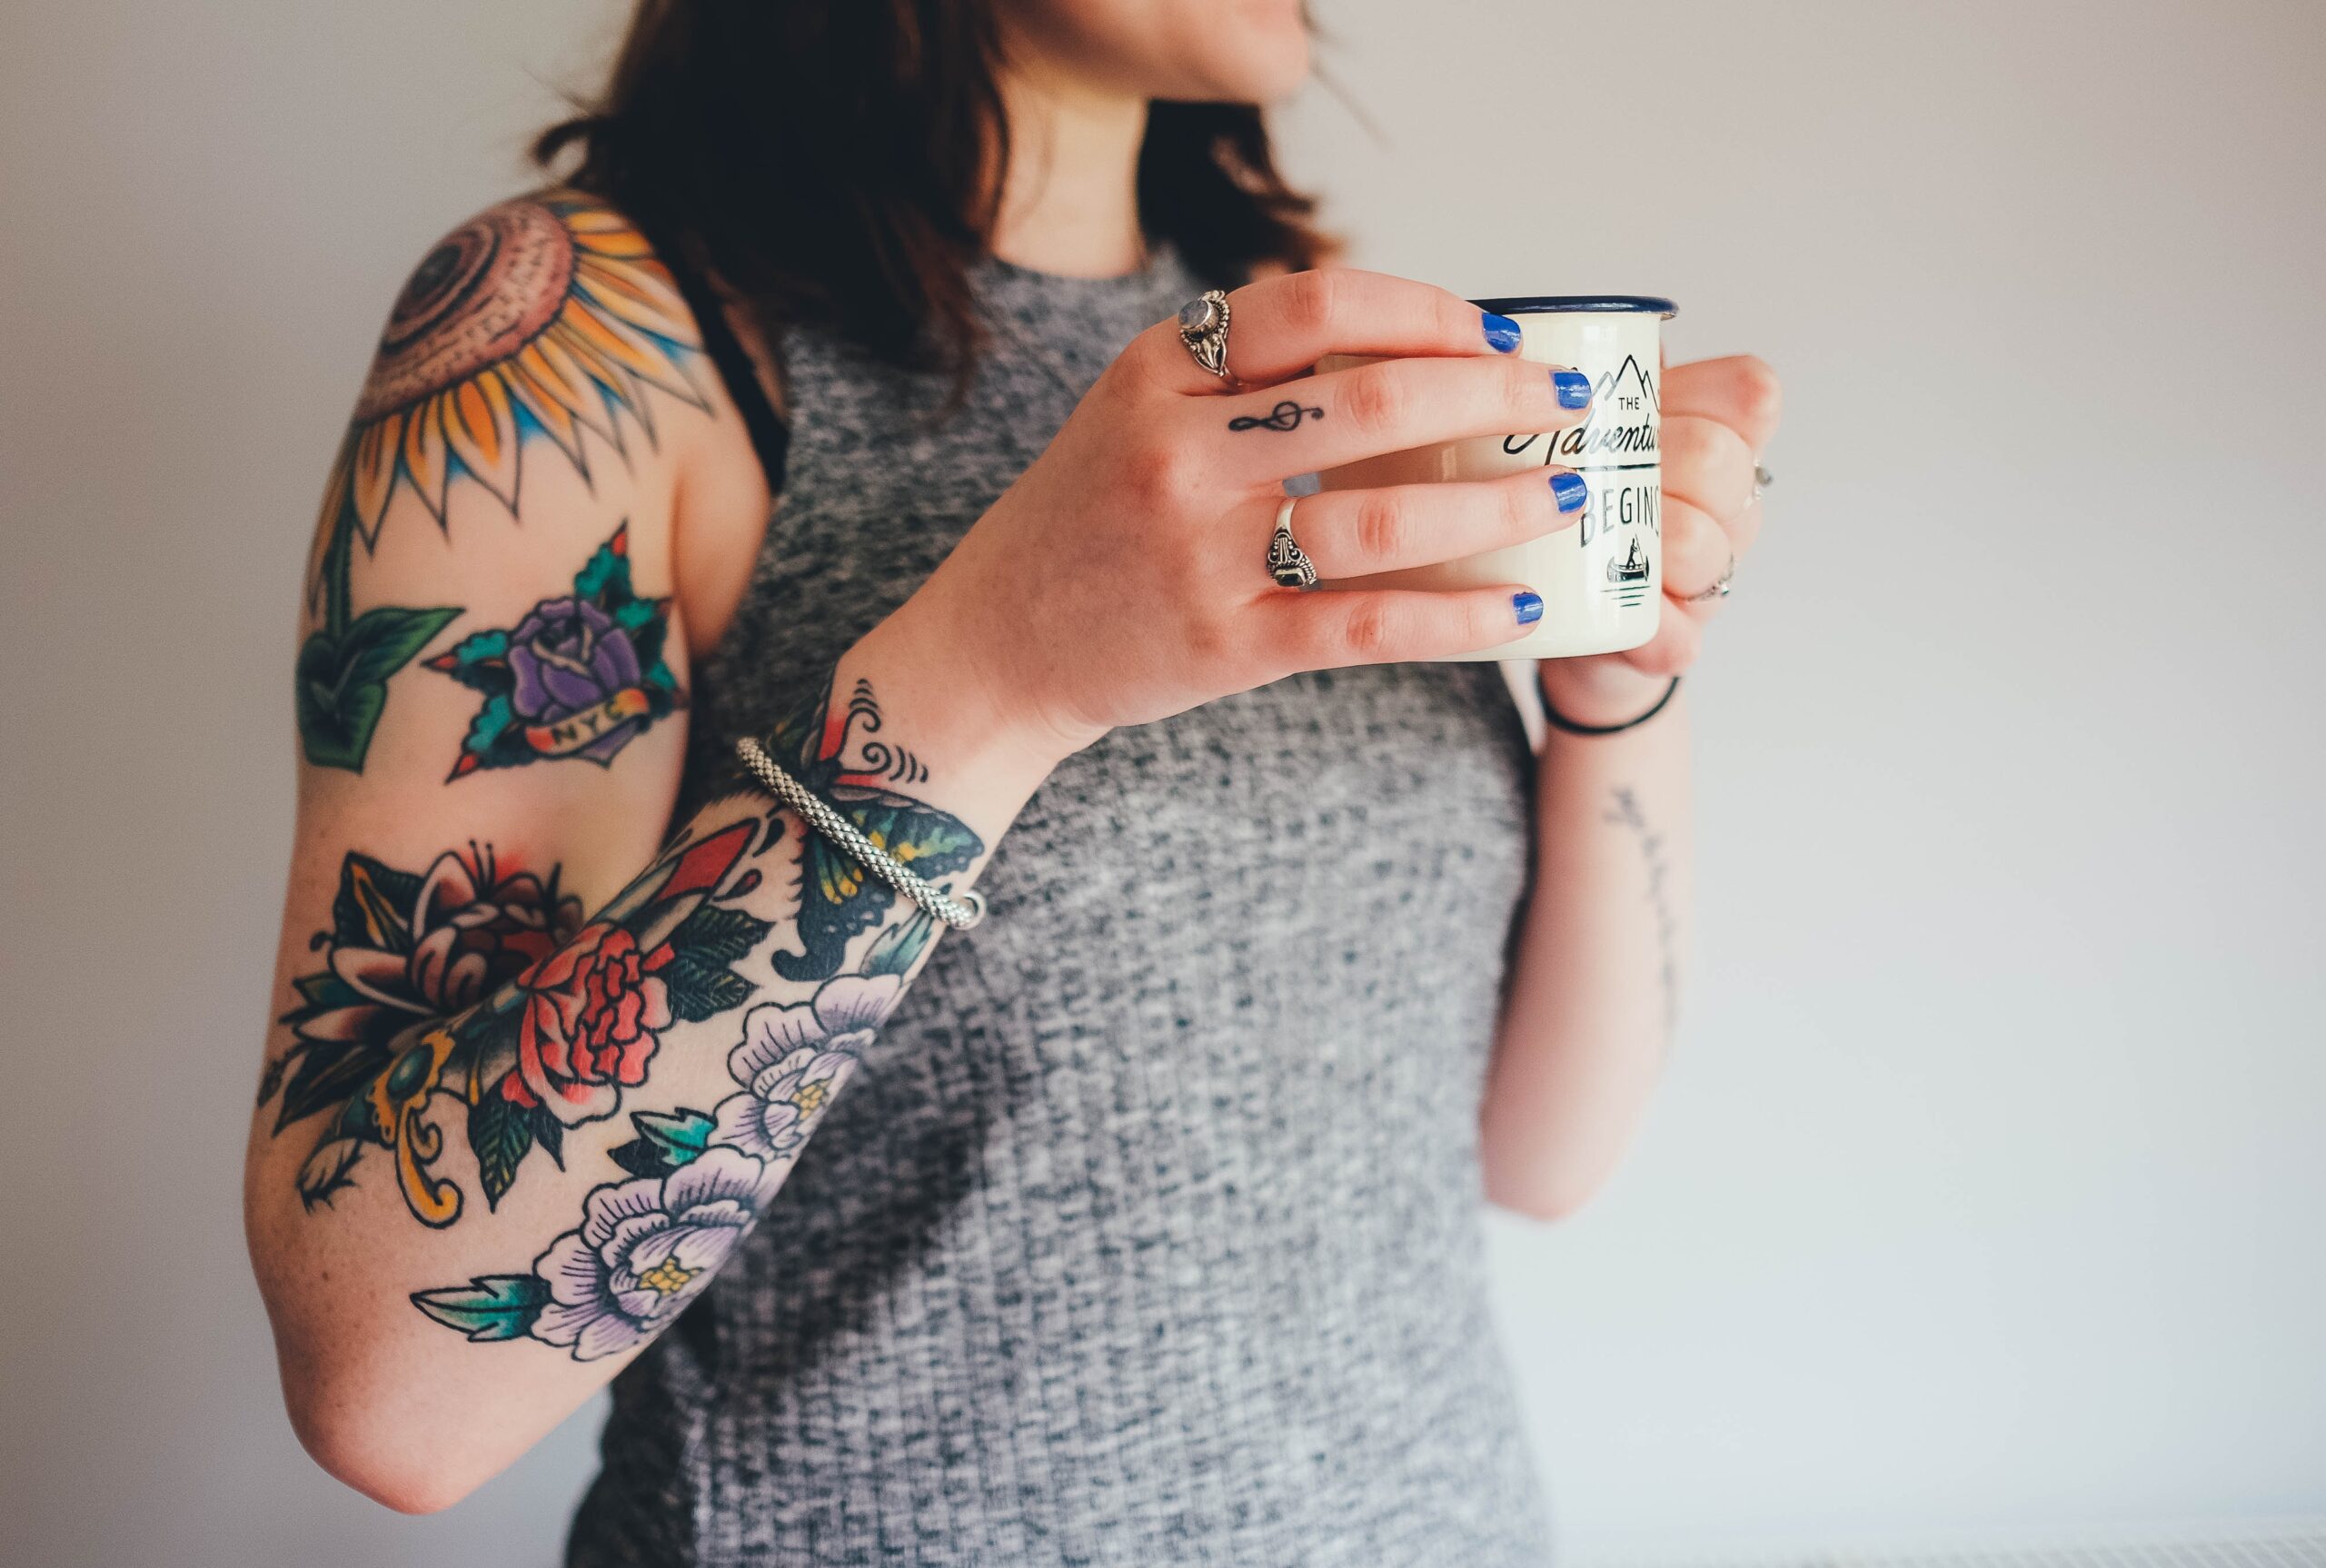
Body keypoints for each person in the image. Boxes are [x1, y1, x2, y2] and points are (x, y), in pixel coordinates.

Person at [241, 1, 1781, 1562]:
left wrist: (1619, 691)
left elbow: (1538, 1155)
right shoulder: (583, 343)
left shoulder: (1292, 360)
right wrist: (994, 672)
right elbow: (394, 1390)